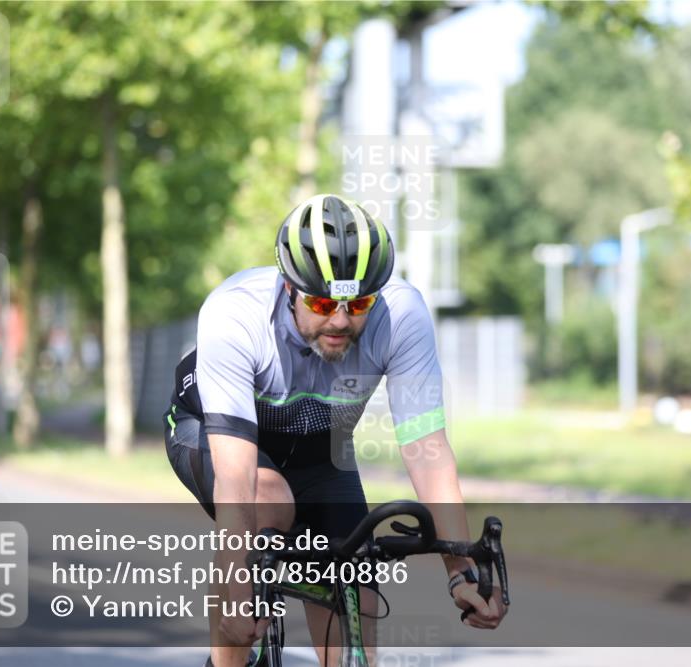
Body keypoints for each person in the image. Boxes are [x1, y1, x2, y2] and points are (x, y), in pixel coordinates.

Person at [163, 194, 506, 667]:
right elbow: (237, 478)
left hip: (319, 451)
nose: (340, 320)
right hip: (212, 434)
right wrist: (235, 585)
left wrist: (459, 569)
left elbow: (427, 449)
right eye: (323, 303)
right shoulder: (234, 314)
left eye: (358, 302)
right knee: (268, 502)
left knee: (356, 578)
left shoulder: (401, 316)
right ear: (289, 288)